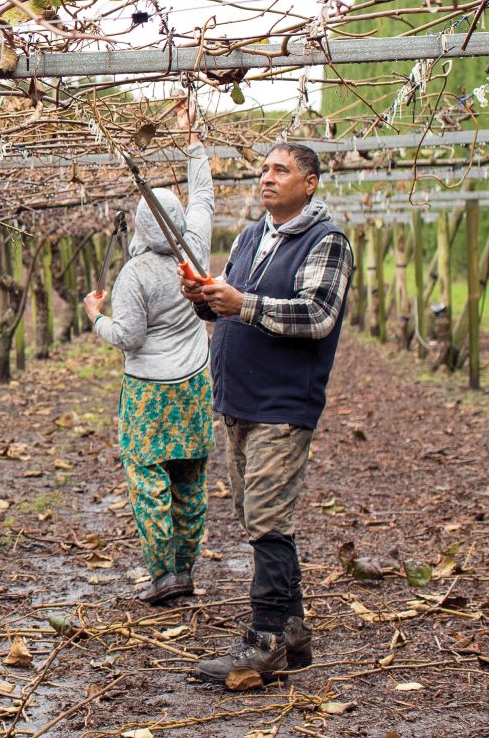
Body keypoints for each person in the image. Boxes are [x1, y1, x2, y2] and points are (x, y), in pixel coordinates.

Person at [181, 142, 354, 686]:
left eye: (281, 170)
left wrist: (243, 304)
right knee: (257, 516)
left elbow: (318, 314)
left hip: (284, 403)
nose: (267, 178)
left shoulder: (328, 242)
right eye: (264, 169)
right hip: (237, 398)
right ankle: (294, 630)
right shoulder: (251, 236)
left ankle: (265, 641)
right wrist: (204, 297)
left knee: (268, 521)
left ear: (310, 183)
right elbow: (230, 303)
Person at [83, 101, 213, 607]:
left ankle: (163, 574)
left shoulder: (134, 276)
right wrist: (193, 141)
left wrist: (96, 316)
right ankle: (185, 567)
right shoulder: (195, 250)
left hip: (148, 392)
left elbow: (129, 338)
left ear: (139, 227)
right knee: (190, 478)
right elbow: (202, 192)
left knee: (149, 478)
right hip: (195, 384)